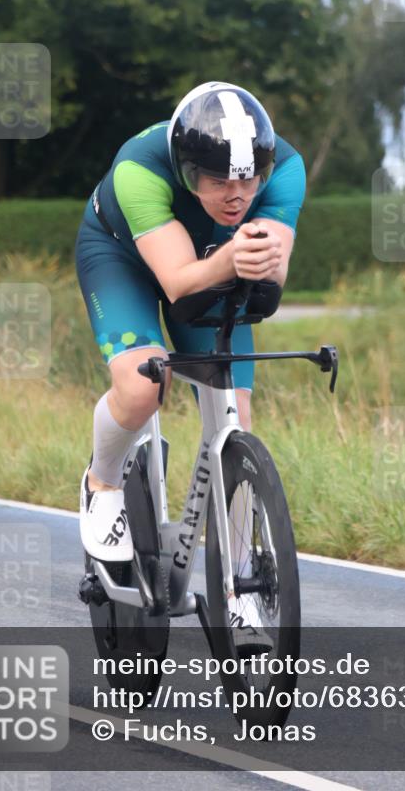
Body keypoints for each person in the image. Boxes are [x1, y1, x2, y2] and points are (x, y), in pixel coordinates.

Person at [75, 81, 306, 635]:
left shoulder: (286, 168)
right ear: (185, 170)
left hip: (210, 262)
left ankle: (241, 579)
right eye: (217, 181)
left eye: (249, 179)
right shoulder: (139, 170)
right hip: (123, 256)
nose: (237, 194)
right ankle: (102, 483)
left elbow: (269, 277)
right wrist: (235, 256)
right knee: (141, 385)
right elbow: (178, 283)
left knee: (237, 417)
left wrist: (264, 259)